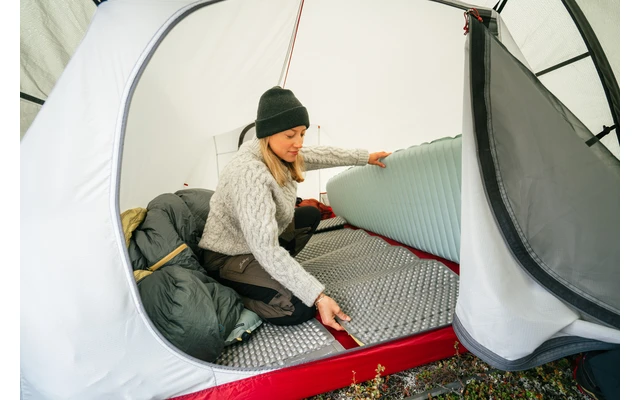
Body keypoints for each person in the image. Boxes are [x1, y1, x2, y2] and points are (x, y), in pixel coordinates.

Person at [199, 86, 391, 331]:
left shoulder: (279, 152)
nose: (299, 143)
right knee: (300, 307)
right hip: (228, 257)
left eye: (302, 134)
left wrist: (365, 157)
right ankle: (236, 294)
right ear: (268, 134)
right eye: (291, 135)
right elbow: (265, 248)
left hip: (255, 244)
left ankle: (272, 275)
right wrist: (318, 296)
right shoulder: (249, 173)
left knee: (310, 214)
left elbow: (323, 155)